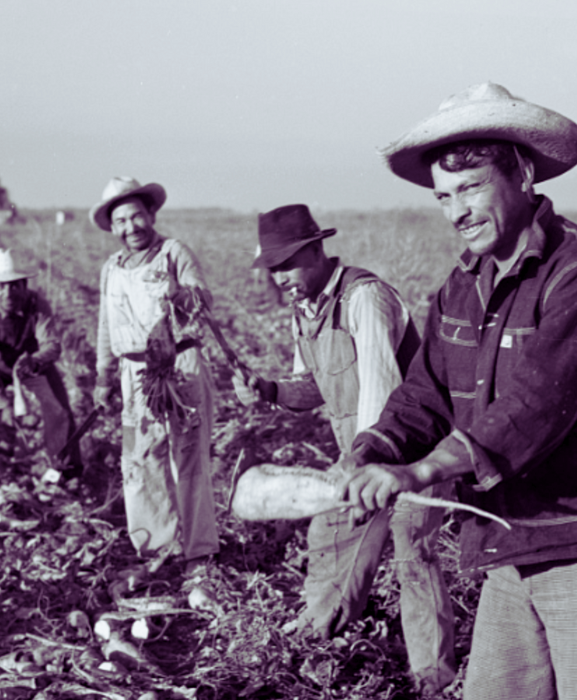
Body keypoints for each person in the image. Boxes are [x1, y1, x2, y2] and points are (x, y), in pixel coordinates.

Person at [343, 82, 577, 700]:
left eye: (470, 188)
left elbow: (536, 408)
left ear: (522, 175)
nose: (455, 211)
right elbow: (424, 393)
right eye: (443, 197)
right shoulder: (462, 286)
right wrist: (373, 448)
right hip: (506, 543)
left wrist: (421, 471)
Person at [232, 203, 456, 695]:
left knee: (412, 556)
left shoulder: (363, 298)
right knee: (328, 537)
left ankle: (434, 681)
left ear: (316, 250)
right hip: (358, 463)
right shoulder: (305, 312)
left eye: (287, 264)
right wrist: (270, 391)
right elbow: (312, 386)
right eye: (273, 269)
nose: (280, 278)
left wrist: (362, 463)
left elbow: (382, 394)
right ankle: (318, 634)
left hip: (411, 454)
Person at [90, 176, 219, 573]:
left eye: (137, 217)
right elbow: (106, 326)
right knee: (141, 460)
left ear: (151, 215)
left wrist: (181, 294)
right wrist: (103, 377)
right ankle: (157, 549)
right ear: (113, 228)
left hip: (179, 367)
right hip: (135, 374)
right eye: (122, 221)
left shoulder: (173, 253)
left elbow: (203, 302)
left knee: (189, 456)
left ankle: (199, 552)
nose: (131, 228)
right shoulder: (111, 268)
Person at [0, 248, 82, 497]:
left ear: (24, 285)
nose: (8, 292)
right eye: (1, 286)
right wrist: (2, 403)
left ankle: (65, 474)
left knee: (59, 411)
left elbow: (52, 345)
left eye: (14, 285)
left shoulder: (38, 305)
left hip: (31, 363)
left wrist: (35, 360)